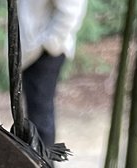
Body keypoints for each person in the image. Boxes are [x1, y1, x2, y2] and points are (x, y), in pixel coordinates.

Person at [18, 0, 88, 147]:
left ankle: (43, 167)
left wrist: (51, 43)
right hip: (31, 52)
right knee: (35, 122)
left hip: (43, 52)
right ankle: (41, 166)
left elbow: (72, 8)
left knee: (40, 123)